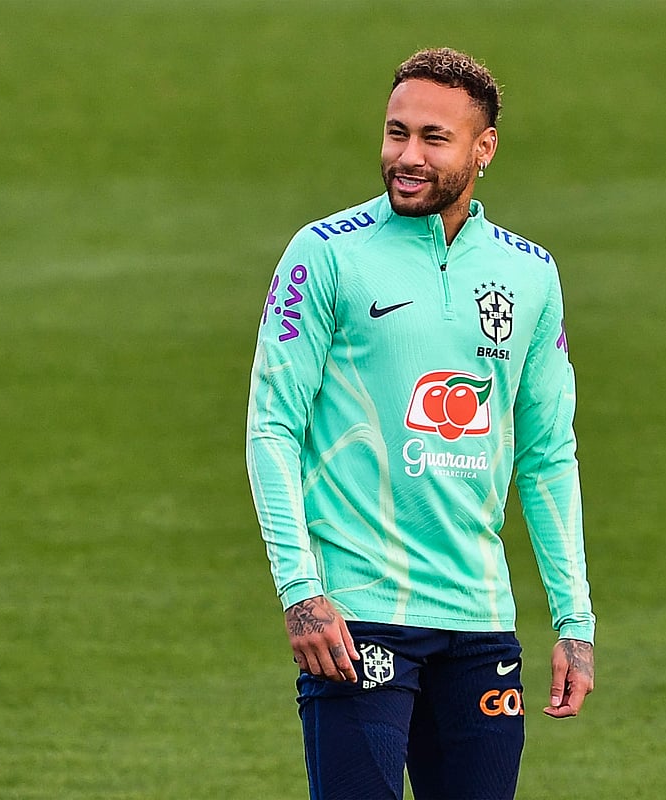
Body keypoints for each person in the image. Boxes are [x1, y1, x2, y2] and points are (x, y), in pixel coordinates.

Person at [245, 47, 595, 799]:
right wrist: (301, 591)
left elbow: (546, 457)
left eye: (433, 138)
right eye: (395, 132)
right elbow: (273, 427)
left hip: (480, 624)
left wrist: (575, 621)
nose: (406, 156)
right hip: (356, 617)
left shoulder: (531, 275)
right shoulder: (326, 255)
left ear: (483, 148)